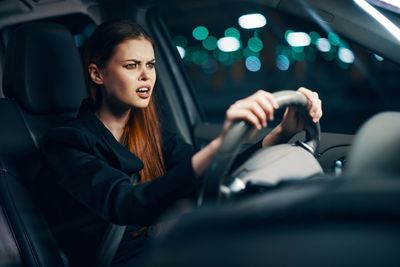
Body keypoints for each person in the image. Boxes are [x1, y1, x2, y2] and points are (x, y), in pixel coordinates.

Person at [36, 19, 322, 266]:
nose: (146, 76)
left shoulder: (152, 129)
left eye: (150, 64)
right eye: (131, 66)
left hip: (165, 245)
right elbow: (127, 204)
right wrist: (222, 140)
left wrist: (280, 134)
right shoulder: (66, 142)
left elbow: (204, 170)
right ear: (97, 74)